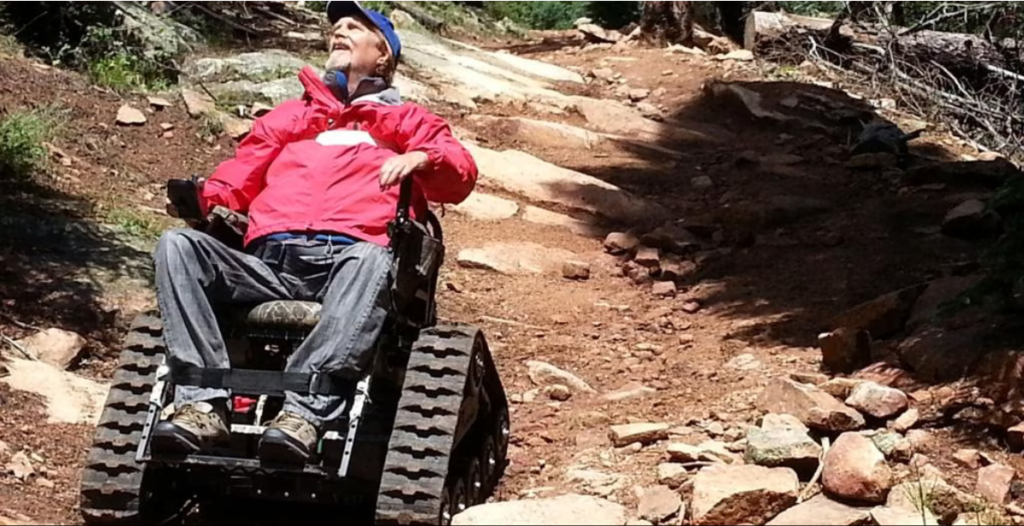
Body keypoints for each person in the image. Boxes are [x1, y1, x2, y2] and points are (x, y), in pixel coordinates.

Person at [150, 0, 478, 465]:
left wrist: (423, 158)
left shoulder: (408, 121)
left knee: (371, 258)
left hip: (352, 264)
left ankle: (305, 411)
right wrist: (202, 200)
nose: (339, 31)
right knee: (179, 245)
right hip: (267, 264)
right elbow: (236, 181)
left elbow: (460, 174)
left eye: (355, 27)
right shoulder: (289, 117)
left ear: (383, 55)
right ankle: (201, 404)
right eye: (336, 27)